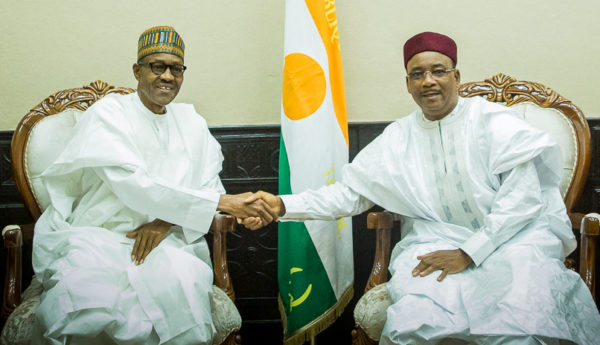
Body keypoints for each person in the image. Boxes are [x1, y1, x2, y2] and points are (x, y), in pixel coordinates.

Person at [243, 32, 600, 344]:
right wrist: (281, 205)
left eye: (438, 71)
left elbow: (521, 202)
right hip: (434, 241)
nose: (428, 81)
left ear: (456, 76)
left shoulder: (495, 123)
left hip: (511, 240)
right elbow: (349, 194)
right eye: (418, 74)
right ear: (408, 83)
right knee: (417, 315)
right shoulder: (397, 138)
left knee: (519, 309)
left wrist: (470, 252)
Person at [31, 26, 276, 345]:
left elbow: (206, 184)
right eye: (157, 66)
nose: (167, 76)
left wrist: (165, 222)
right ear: (138, 70)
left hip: (168, 241)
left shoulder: (192, 122)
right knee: (85, 299)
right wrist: (225, 203)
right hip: (98, 235)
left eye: (176, 68)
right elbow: (135, 186)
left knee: (178, 291)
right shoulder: (109, 114)